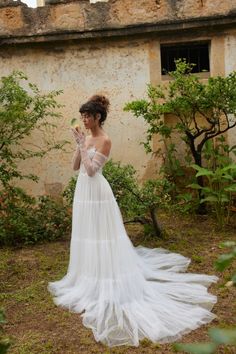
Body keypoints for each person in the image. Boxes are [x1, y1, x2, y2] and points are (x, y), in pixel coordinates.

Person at [47, 94, 219, 348]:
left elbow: (93, 170)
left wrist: (84, 146)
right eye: (82, 115)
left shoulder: (105, 140)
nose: (84, 119)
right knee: (87, 236)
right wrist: (77, 145)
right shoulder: (85, 138)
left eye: (88, 116)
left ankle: (105, 279)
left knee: (103, 237)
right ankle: (87, 275)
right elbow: (77, 168)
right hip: (83, 192)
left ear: (98, 117)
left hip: (98, 194)